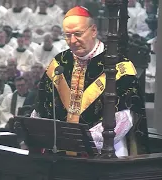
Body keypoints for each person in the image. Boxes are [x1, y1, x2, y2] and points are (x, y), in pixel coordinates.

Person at [32, 6, 149, 157]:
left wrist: (86, 141)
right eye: (67, 35)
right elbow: (41, 107)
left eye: (78, 34)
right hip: (58, 152)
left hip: (104, 151)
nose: (72, 41)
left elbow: (126, 115)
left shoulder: (120, 66)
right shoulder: (60, 62)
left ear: (93, 31)